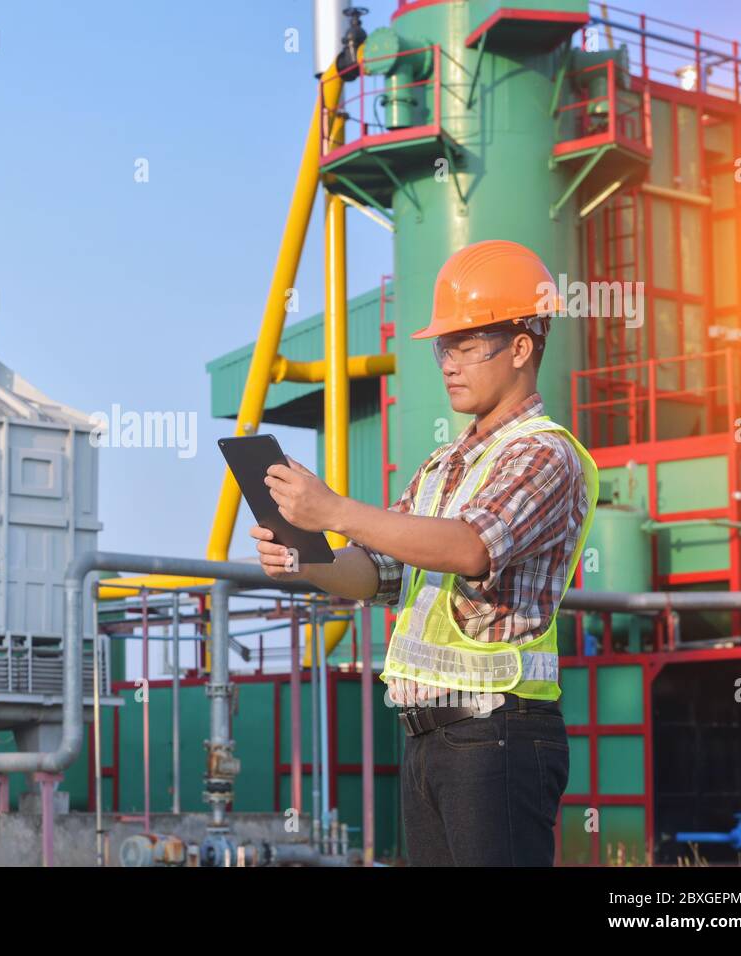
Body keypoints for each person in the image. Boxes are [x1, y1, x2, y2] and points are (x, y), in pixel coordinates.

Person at [250, 239, 598, 866]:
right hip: (428, 740)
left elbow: (470, 547)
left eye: (467, 344)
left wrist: (332, 509)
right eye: (445, 347)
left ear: (522, 346)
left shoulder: (546, 455)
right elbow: (381, 572)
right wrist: (309, 556)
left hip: (498, 735)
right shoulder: (443, 465)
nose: (449, 363)